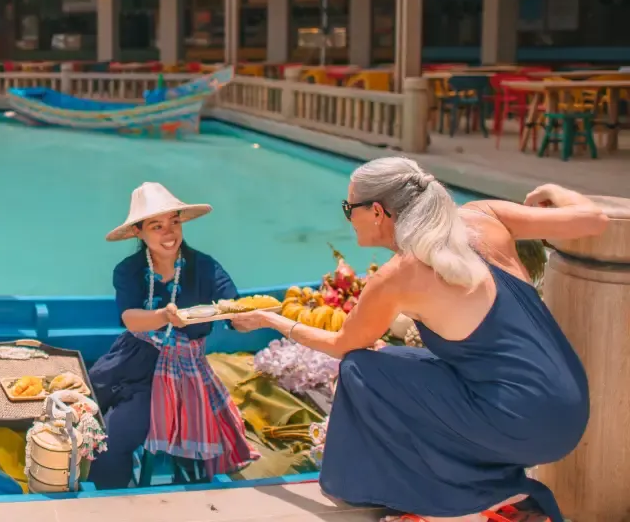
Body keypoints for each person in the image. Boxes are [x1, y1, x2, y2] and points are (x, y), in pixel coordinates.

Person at [230, 157, 608, 522]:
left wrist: (272, 320)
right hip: (570, 414)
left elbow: (342, 346)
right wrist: (555, 190)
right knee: (396, 359)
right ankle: (484, 488)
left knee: (362, 368)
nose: (348, 218)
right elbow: (595, 220)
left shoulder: (398, 276)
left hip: (521, 426)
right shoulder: (484, 215)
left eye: (349, 208)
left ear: (377, 212)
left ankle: (455, 503)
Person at [87, 182, 258, 489]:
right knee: (90, 417)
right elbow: (129, 319)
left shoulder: (204, 267)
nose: (169, 234)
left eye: (174, 222)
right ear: (138, 232)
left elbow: (230, 306)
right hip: (131, 359)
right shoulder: (128, 270)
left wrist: (246, 320)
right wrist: (163, 316)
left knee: (117, 434)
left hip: (184, 371)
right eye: (156, 226)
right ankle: (109, 501)